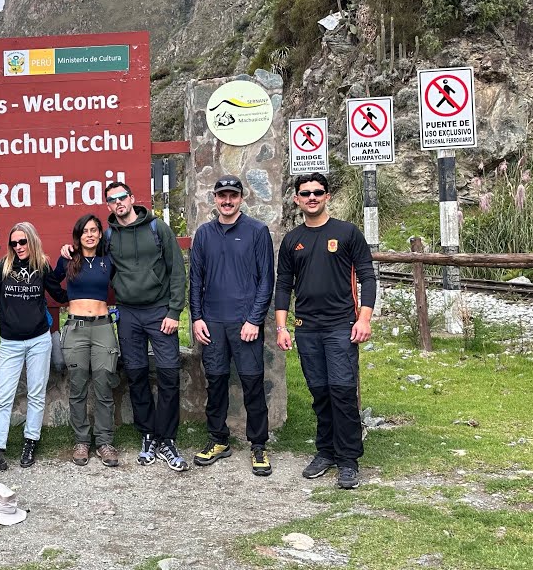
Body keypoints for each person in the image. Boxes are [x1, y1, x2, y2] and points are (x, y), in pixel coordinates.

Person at [275, 173, 376, 490]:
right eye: (305, 193)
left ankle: (348, 461)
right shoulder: (292, 240)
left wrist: (364, 319)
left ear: (328, 196)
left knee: (343, 392)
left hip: (341, 327)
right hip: (306, 329)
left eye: (318, 192)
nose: (312, 197)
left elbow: (367, 278)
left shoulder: (347, 233)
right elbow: (283, 286)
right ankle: (326, 452)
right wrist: (281, 326)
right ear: (297, 200)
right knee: (320, 393)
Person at [189, 176, 275, 476]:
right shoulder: (204, 234)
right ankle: (218, 440)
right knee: (216, 384)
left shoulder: (257, 231)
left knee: (252, 385)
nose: (227, 201)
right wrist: (197, 318)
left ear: (241, 198)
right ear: (214, 198)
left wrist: (254, 319)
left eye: (233, 196)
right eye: (222, 196)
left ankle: (259, 445)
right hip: (212, 323)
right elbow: (195, 280)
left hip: (245, 324)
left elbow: (267, 280)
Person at [101, 181, 189, 471]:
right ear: (109, 206)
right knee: (136, 376)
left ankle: (167, 438)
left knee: (168, 375)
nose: (118, 203)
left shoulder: (157, 228)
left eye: (122, 197)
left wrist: (174, 311)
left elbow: (177, 269)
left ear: (132, 198)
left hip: (160, 312)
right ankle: (148, 435)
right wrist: (69, 251)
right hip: (128, 315)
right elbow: (92, 260)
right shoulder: (109, 234)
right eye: (112, 200)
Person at [0, 222, 68, 478]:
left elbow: (59, 294)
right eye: (14, 243)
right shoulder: (3, 267)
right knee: (3, 397)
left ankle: (30, 442)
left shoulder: (42, 265)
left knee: (37, 394)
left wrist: (72, 268)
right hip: (11, 342)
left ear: (32, 241)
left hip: (39, 339)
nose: (18, 247)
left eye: (22, 242)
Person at [52, 214, 119, 467]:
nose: (89, 234)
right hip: (77, 327)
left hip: (102, 327)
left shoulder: (107, 261)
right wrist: (65, 297)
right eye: (84, 231)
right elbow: (50, 279)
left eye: (94, 230)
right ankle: (81, 440)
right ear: (78, 236)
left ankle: (104, 442)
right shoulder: (69, 260)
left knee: (104, 386)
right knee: (78, 387)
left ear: (100, 234)